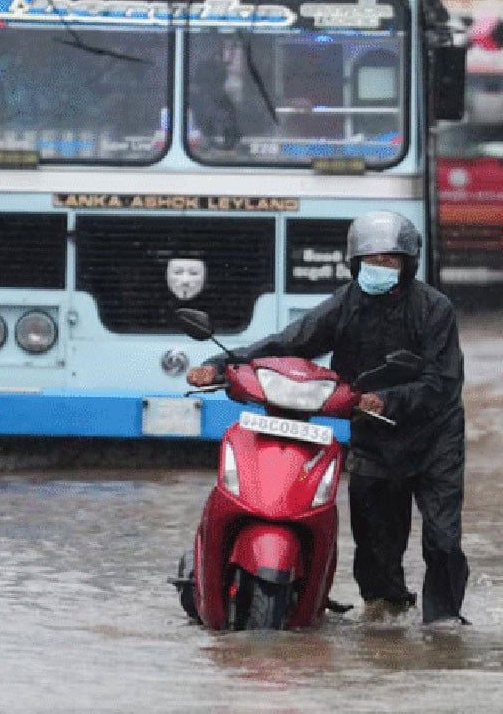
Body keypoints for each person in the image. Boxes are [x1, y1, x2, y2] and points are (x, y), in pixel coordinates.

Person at [185, 211, 469, 625]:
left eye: (391, 262)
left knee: (442, 538)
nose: (381, 270)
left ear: (409, 264)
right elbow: (292, 341)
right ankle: (385, 613)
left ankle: (443, 622)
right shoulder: (347, 304)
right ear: (355, 263)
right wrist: (221, 364)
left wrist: (385, 400)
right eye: (372, 262)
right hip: (373, 433)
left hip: (433, 436)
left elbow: (441, 382)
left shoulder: (435, 309)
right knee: (375, 543)